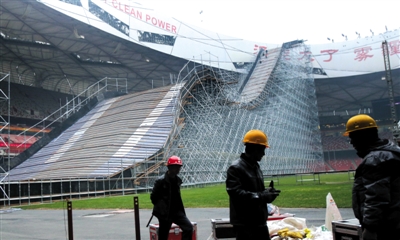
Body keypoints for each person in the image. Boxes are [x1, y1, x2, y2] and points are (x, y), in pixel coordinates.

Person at [344, 114, 400, 240]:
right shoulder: (393, 153)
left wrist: (370, 228)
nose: (352, 142)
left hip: (385, 228)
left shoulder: (375, 159)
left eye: (352, 137)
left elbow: (376, 198)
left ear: (362, 136)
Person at [226, 129, 280, 240]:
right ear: (254, 148)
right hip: (245, 224)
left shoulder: (255, 167)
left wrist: (267, 193)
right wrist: (262, 196)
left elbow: (256, 191)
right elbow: (236, 194)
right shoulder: (236, 168)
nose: (264, 154)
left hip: (259, 221)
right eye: (262, 150)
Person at [150, 155, 193, 240]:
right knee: (163, 236)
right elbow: (153, 197)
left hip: (177, 212)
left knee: (188, 227)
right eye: (176, 167)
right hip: (165, 213)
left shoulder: (177, 180)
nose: (178, 169)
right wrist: (162, 208)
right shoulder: (160, 181)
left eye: (179, 167)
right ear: (170, 167)